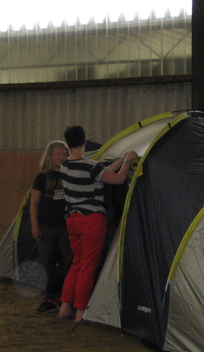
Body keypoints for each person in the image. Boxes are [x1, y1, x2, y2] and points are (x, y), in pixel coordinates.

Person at [58, 125, 137, 323]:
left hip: (72, 220)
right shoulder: (89, 166)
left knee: (77, 263)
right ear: (85, 143)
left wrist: (119, 161)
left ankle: (64, 308)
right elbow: (118, 179)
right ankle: (80, 312)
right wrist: (129, 160)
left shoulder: (66, 165)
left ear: (68, 144)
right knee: (88, 266)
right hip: (92, 220)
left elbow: (100, 173)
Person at [30, 140, 72, 313]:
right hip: (46, 227)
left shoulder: (71, 175)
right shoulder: (42, 177)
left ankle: (64, 298)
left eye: (64, 154)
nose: (61, 157)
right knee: (48, 263)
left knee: (67, 263)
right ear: (50, 156)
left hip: (67, 228)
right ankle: (50, 298)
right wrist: (34, 225)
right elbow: (34, 202)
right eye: (57, 154)